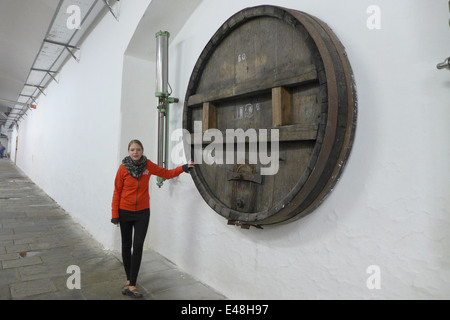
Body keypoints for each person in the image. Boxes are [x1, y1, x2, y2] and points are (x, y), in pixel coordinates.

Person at [111, 139, 194, 298]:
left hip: (142, 213)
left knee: (138, 245)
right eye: (132, 149)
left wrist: (183, 168)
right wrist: (115, 215)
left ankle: (133, 284)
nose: (135, 152)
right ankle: (129, 280)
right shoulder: (122, 169)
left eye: (138, 149)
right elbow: (116, 192)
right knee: (126, 245)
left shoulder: (148, 166)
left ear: (142, 151)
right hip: (125, 212)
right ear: (128, 151)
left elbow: (166, 173)